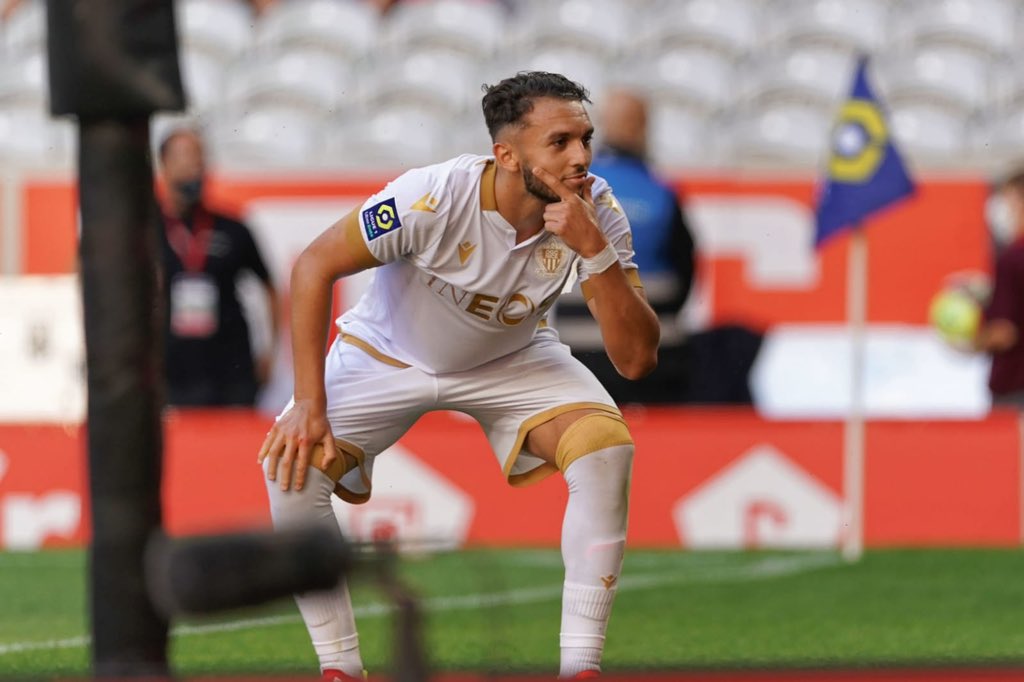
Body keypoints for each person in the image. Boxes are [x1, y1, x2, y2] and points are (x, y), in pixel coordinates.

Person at [257, 71, 659, 680]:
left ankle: (582, 668)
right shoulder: (431, 197)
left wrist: (595, 251)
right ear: (505, 154)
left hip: (513, 358)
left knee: (606, 449)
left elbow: (635, 360)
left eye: (586, 138)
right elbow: (313, 266)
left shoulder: (596, 209)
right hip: (389, 355)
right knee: (289, 467)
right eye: (559, 142)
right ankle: (339, 669)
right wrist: (309, 403)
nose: (581, 157)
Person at [555, 87, 695, 404]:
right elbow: (687, 272)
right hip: (654, 355)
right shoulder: (662, 192)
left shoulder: (572, 186)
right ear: (643, 127)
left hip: (579, 352)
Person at [157, 126, 280, 406]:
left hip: (230, 369)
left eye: (200, 158)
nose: (195, 167)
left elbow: (270, 287)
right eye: (185, 157)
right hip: (171, 369)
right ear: (164, 164)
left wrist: (270, 353)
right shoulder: (146, 229)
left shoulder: (232, 228)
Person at [976, 169, 1024, 405]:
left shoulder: (1013, 258)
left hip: (1015, 388)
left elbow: (1004, 333)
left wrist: (970, 340)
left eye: (1008, 200)